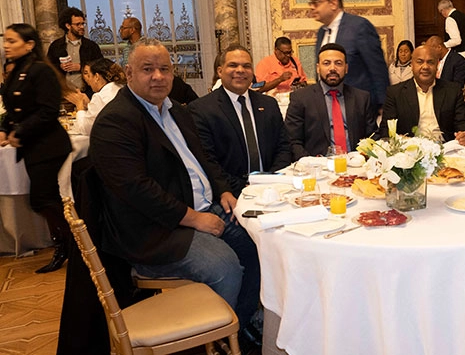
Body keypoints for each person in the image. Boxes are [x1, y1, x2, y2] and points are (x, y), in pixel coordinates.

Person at [89, 38, 261, 348]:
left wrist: (223, 190)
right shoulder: (116, 121)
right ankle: (219, 340)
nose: (158, 76)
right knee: (225, 267)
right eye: (148, 69)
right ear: (128, 73)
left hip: (203, 208)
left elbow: (204, 159)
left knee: (258, 247)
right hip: (156, 231)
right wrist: (194, 218)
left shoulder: (177, 112)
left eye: (165, 69)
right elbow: (136, 190)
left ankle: (240, 326)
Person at [0, 23, 73, 273]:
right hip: (34, 146)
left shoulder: (41, 70)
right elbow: (14, 108)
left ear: (29, 44)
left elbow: (48, 111)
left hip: (49, 145)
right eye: (6, 40)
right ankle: (68, 244)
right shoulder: (17, 70)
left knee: (43, 199)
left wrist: (19, 132)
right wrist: (5, 128)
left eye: (12, 41)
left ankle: (71, 244)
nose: (6, 45)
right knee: (44, 199)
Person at [190, 44, 292, 195]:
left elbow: (283, 146)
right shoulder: (202, 109)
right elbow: (208, 161)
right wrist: (245, 187)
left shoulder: (268, 104)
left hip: (273, 189)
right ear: (220, 71)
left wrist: (271, 181)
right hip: (230, 193)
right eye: (233, 65)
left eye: (246, 66)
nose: (240, 70)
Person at [285, 43, 377, 160]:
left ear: (346, 68)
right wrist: (310, 163)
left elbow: (373, 136)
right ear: (318, 68)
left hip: (356, 164)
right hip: (316, 166)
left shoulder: (361, 98)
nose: (332, 68)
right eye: (326, 63)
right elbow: (292, 141)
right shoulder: (301, 98)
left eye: (338, 63)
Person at [308, 0, 389, 110]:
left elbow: (377, 69)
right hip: (328, 106)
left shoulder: (359, 27)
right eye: (311, 3)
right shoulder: (321, 33)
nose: (312, 7)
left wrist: (384, 105)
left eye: (316, 2)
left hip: (357, 106)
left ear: (333, 3)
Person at [379, 44, 465, 144]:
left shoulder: (452, 91)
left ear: (437, 65)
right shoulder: (395, 93)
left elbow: (464, 122)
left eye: (430, 62)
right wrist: (400, 140)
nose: (425, 67)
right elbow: (386, 129)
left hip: (445, 147)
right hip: (410, 149)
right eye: (420, 62)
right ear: (412, 65)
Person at [118, 15, 198, 104]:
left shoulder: (148, 47)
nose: (121, 31)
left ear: (132, 30)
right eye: (148, 69)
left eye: (123, 28)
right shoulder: (127, 49)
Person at [47, 7, 104, 96]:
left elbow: (102, 67)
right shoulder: (56, 46)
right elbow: (48, 68)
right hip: (63, 95)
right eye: (78, 24)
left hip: (87, 93)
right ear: (68, 26)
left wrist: (81, 67)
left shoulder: (91, 46)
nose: (82, 27)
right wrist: (60, 67)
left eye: (83, 24)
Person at [70, 58, 126, 136]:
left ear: (96, 76)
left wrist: (79, 106)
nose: (89, 82)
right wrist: (89, 104)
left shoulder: (100, 96)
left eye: (89, 76)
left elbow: (86, 129)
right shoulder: (121, 87)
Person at [437, 0, 465, 81]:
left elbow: (457, 40)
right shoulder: (464, 16)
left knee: (458, 80)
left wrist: (443, 45)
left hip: (459, 54)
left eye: (441, 12)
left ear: (443, 10)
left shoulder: (450, 19)